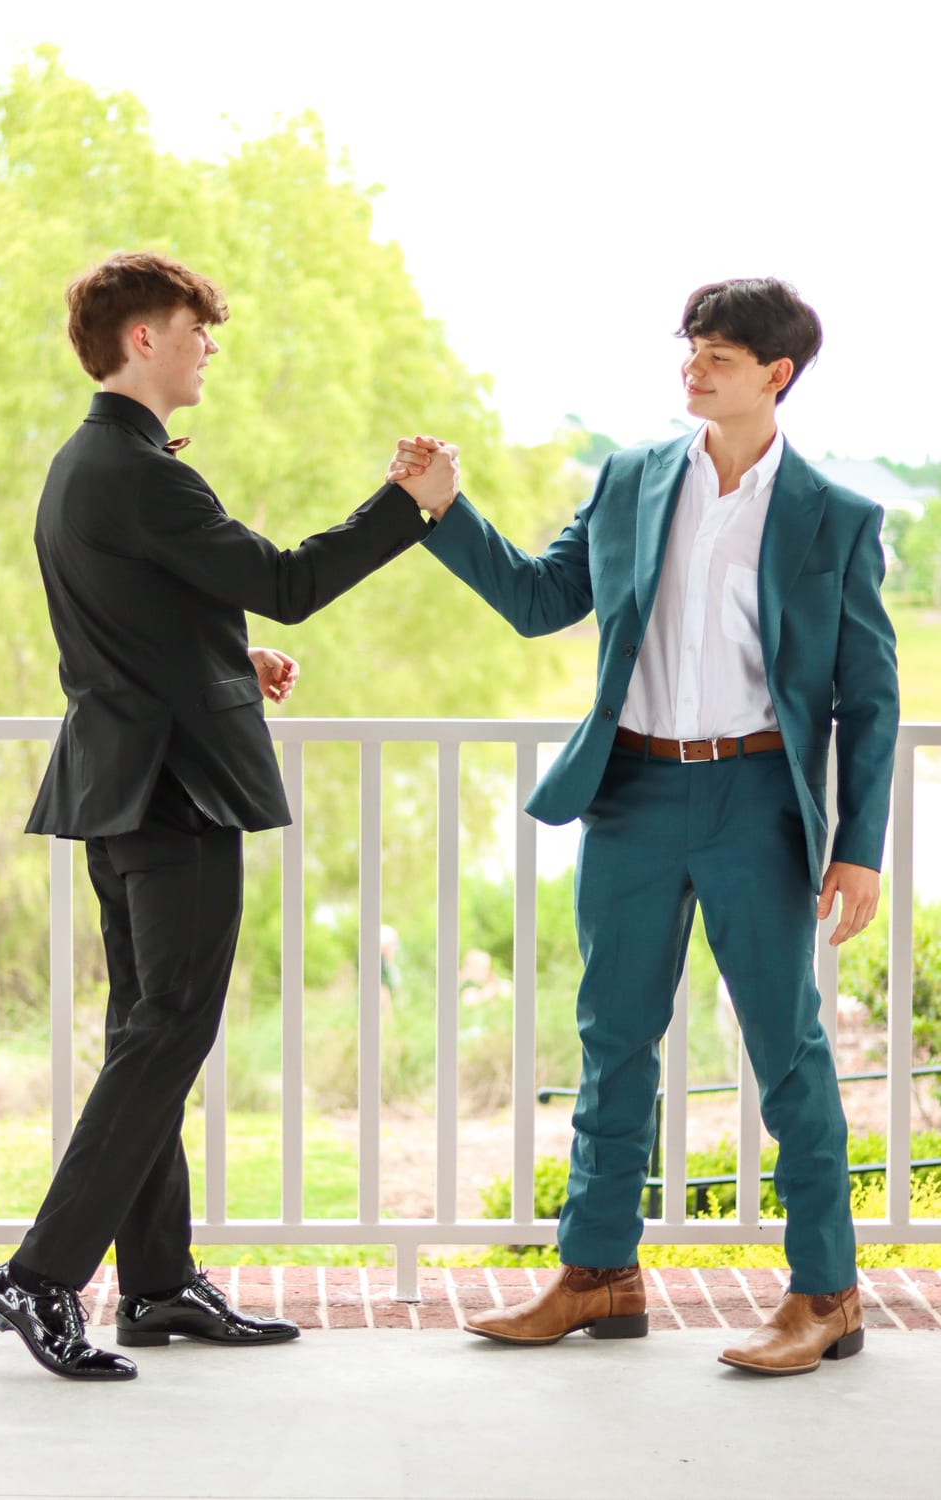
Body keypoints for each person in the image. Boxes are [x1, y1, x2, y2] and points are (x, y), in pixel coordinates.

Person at [391, 278, 899, 1375]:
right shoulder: (628, 479)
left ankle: (825, 1295)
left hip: (756, 801)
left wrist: (859, 844)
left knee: (787, 1049)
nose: (693, 369)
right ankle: (597, 1275)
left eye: (718, 356)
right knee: (612, 1037)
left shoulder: (836, 518)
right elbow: (538, 600)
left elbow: (870, 694)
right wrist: (442, 506)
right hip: (627, 791)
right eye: (690, 350)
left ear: (776, 375)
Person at [0, 251, 456, 1381]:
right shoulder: (142, 472)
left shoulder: (86, 464)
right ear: (143, 339)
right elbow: (287, 576)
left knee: (149, 1030)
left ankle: (154, 1285)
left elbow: (126, 620)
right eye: (197, 329)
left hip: (123, 781)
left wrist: (232, 653)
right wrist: (410, 508)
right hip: (172, 787)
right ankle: (41, 1277)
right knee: (169, 1030)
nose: (209, 347)